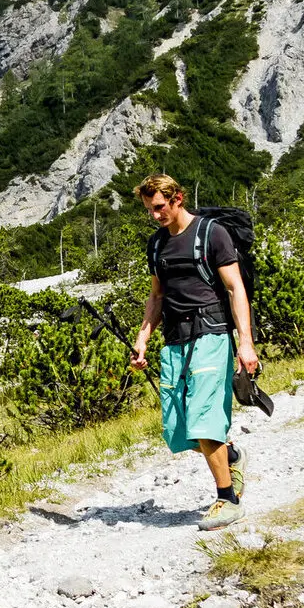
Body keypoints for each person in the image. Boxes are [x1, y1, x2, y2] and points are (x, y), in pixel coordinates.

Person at [129, 174, 259, 530]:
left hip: (211, 333)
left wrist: (245, 343)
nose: (155, 215)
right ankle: (231, 455)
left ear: (177, 199)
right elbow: (156, 296)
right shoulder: (156, 246)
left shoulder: (211, 234)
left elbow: (235, 289)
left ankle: (227, 499)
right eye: (149, 210)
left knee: (203, 417)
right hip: (175, 338)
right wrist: (143, 338)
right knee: (179, 429)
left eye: (159, 207)